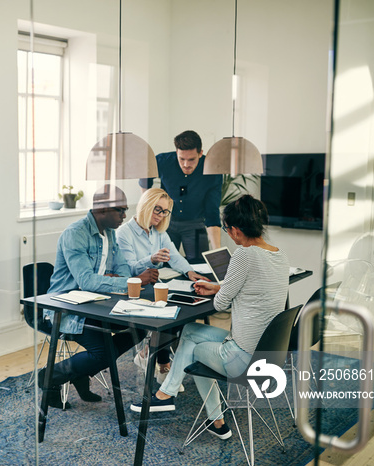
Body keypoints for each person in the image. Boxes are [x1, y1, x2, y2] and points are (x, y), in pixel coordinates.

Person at [129, 195, 289, 442]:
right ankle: (214, 420)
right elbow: (253, 289)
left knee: (192, 349)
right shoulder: (278, 254)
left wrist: (219, 292)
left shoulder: (244, 255)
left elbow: (221, 305)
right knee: (191, 331)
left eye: (226, 230)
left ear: (235, 230)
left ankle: (165, 396)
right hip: (268, 352)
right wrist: (218, 286)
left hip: (242, 359)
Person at [40, 185, 159, 409]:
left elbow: (122, 269)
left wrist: (117, 278)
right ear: (101, 209)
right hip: (69, 310)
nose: (125, 216)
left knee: (138, 328)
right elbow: (86, 281)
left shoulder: (110, 234)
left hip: (95, 305)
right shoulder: (75, 234)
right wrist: (129, 281)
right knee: (102, 352)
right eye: (121, 210)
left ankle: (79, 373)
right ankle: (50, 376)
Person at [116, 188, 210, 382]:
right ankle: (163, 364)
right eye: (157, 209)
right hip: (134, 291)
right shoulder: (124, 233)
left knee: (179, 310)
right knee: (168, 313)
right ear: (145, 206)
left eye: (165, 211)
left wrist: (189, 272)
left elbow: (174, 255)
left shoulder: (158, 232)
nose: (160, 215)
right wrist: (150, 259)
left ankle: (153, 358)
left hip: (153, 286)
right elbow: (130, 270)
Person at [139, 130, 223, 263]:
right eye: (181, 159)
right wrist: (147, 207)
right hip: (166, 222)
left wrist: (217, 251)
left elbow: (212, 211)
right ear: (176, 152)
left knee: (199, 265)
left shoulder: (212, 170)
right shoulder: (163, 161)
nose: (186, 164)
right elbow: (145, 177)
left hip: (195, 223)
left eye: (191, 159)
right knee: (163, 264)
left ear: (200, 153)